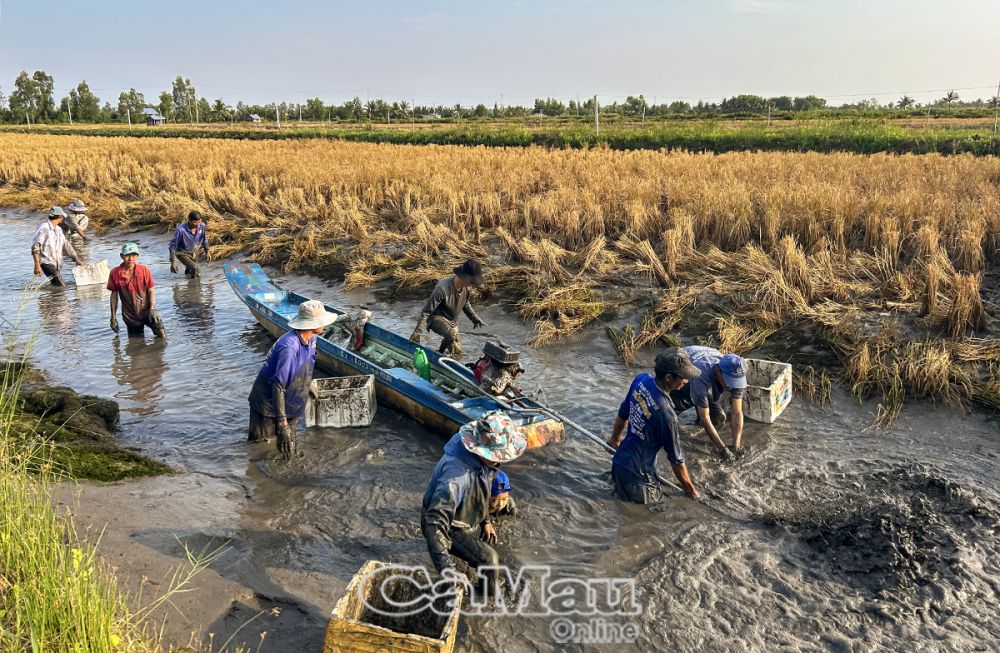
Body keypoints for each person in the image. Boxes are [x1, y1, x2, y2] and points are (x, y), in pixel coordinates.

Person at [422, 410, 526, 593]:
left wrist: (486, 522)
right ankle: (486, 598)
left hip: (468, 510)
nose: (500, 460)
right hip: (449, 525)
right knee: (490, 560)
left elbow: (484, 489)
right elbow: (434, 523)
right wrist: (447, 569)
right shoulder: (455, 476)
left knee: (507, 506)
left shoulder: (486, 463)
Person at [607, 348, 702, 503]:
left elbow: (623, 413)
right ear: (669, 378)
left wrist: (614, 439)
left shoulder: (641, 380)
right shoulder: (666, 414)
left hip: (619, 463)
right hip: (639, 479)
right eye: (684, 377)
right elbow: (676, 460)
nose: (686, 381)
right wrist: (691, 490)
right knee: (650, 519)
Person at [247, 300, 338, 460]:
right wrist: (282, 425)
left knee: (287, 447)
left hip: (291, 401)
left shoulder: (312, 338)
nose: (325, 324)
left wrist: (306, 385)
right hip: (267, 405)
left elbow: (307, 363)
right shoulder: (289, 348)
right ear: (311, 324)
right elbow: (278, 385)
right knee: (262, 448)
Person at [670, 346, 747, 460]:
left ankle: (700, 404)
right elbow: (704, 418)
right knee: (669, 418)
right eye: (729, 382)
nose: (732, 386)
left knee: (718, 417)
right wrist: (723, 449)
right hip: (679, 367)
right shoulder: (701, 374)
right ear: (718, 372)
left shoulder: (736, 371)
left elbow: (737, 412)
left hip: (705, 372)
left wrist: (736, 446)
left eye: (735, 382)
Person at [409, 258, 486, 356]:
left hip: (452, 322)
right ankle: (439, 354)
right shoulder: (442, 288)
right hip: (435, 318)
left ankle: (448, 355)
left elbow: (465, 303)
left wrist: (474, 318)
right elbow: (426, 312)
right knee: (451, 335)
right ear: (464, 277)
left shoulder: (467, 288)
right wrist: (418, 331)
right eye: (472, 281)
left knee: (457, 352)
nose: (472, 284)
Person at [107, 242, 166, 338]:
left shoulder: (144, 270)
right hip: (130, 316)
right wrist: (113, 318)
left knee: (162, 335)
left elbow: (151, 290)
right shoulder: (115, 273)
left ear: (137, 256)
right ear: (121, 256)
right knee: (137, 346)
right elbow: (114, 295)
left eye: (133, 255)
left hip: (148, 311)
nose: (130, 258)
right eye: (127, 255)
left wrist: (152, 308)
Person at [31, 207, 84, 286]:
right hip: (46, 263)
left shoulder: (58, 229)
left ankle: (51, 297)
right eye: (62, 217)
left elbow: (66, 245)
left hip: (57, 264)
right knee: (60, 284)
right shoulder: (43, 228)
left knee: (57, 286)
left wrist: (76, 259)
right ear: (60, 217)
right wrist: (37, 265)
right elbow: (35, 246)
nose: (62, 219)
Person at [169, 210, 209, 278]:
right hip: (181, 252)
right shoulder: (181, 230)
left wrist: (207, 252)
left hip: (193, 251)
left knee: (189, 270)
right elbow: (172, 246)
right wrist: (173, 262)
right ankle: (195, 286)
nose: (197, 224)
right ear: (189, 220)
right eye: (195, 222)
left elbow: (204, 239)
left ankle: (188, 283)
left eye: (199, 222)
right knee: (195, 268)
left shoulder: (202, 226)